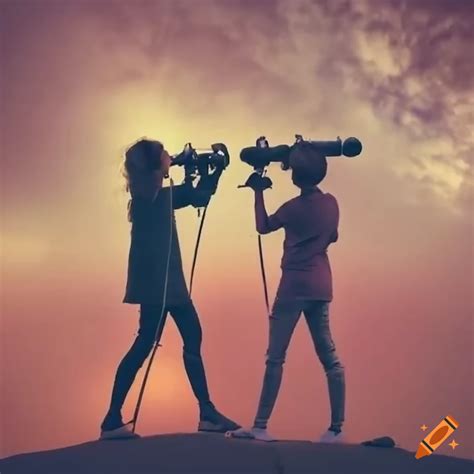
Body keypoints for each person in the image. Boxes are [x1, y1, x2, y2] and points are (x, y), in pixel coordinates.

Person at [100, 138, 240, 440]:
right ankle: (205, 413)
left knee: (152, 343)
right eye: (163, 155)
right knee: (175, 340)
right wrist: (214, 169)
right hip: (163, 286)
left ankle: (115, 417)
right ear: (154, 167)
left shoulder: (147, 197)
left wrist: (199, 170)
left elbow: (197, 194)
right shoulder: (154, 198)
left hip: (165, 284)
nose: (169, 157)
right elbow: (200, 196)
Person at [232, 142, 345, 443]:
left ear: (296, 176)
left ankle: (260, 425)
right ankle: (336, 428)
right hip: (321, 284)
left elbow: (263, 226)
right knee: (330, 358)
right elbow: (332, 236)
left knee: (276, 357)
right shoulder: (332, 203)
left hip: (293, 286)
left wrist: (258, 190)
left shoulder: (291, 209)